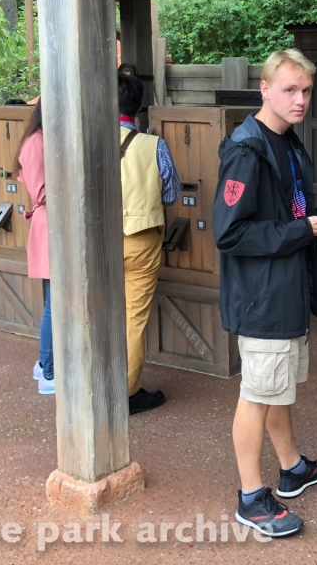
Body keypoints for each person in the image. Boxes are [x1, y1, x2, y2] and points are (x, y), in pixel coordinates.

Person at [213, 48, 317, 538]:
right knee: (257, 393)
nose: (300, 100)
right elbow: (229, 234)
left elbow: (288, 215)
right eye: (289, 90)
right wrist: (301, 232)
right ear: (265, 89)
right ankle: (250, 497)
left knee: (277, 388)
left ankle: (292, 468)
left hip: (286, 288)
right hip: (262, 297)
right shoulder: (246, 150)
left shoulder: (288, 142)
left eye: (306, 91)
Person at [118, 72, 181, 415]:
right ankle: (127, 392)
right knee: (133, 318)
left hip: (98, 243)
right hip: (141, 241)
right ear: (139, 106)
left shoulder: (87, 142)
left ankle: (94, 385)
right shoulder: (154, 145)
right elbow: (171, 194)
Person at [10, 101, 52, 395]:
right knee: (56, 304)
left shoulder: (40, 138)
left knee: (56, 300)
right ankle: (49, 371)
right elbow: (42, 192)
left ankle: (45, 362)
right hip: (49, 226)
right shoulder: (36, 142)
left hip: (50, 225)